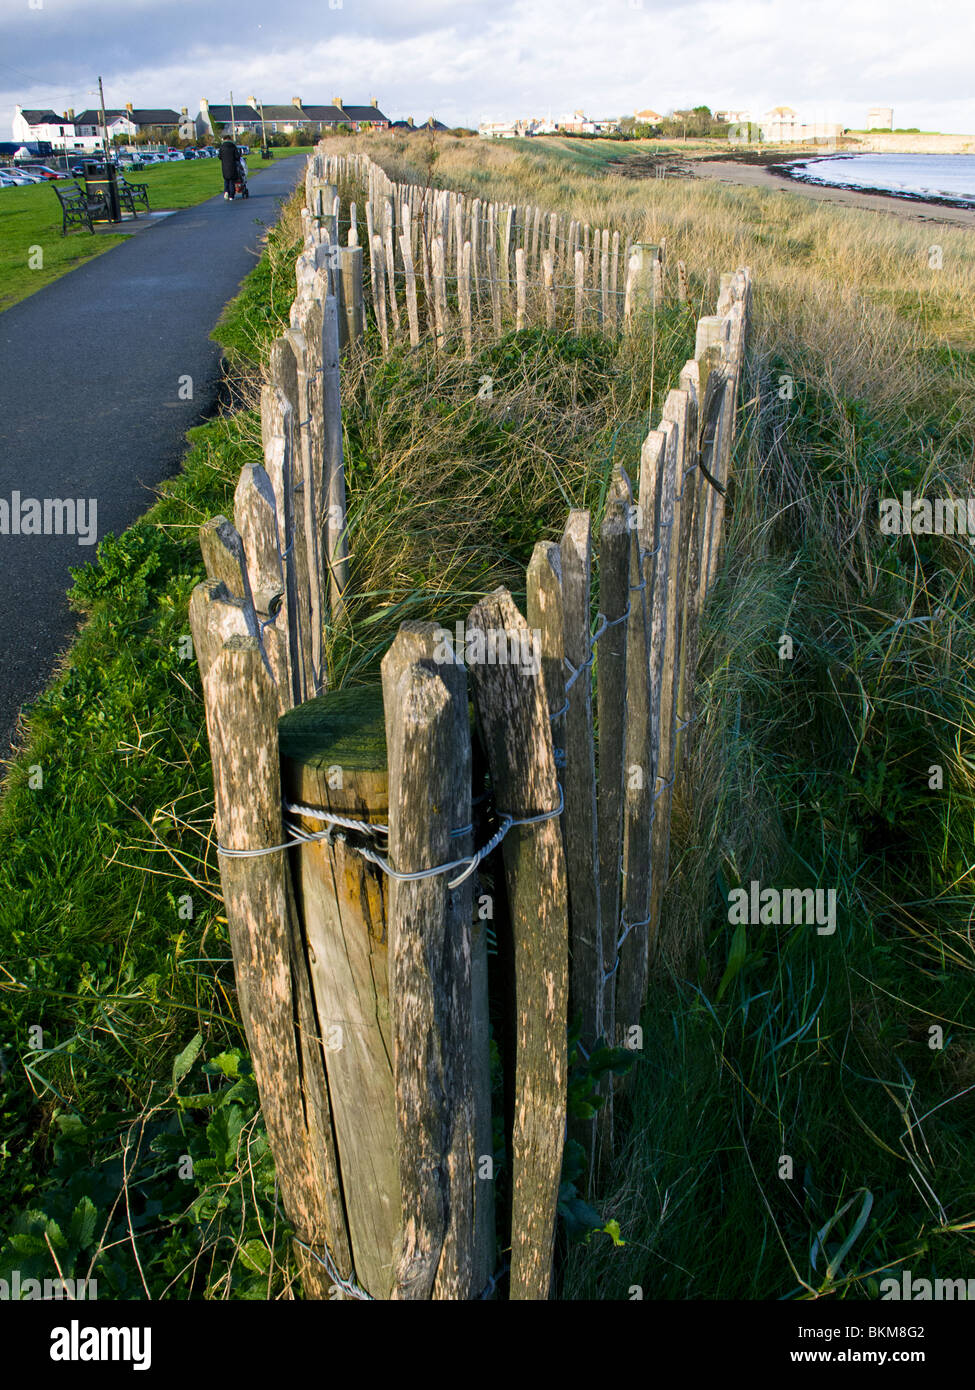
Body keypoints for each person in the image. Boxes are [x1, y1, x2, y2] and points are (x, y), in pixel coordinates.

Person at [220, 134, 239, 200]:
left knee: (226, 180)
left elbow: (220, 156)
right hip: (232, 165)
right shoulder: (233, 146)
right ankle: (231, 195)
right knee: (231, 181)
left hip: (224, 166)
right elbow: (237, 156)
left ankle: (226, 191)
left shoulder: (222, 147)